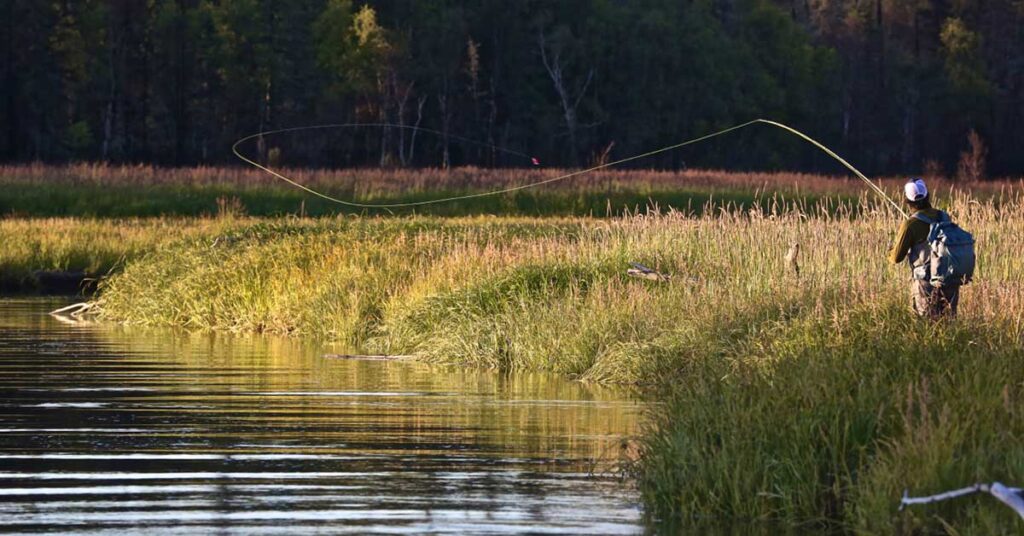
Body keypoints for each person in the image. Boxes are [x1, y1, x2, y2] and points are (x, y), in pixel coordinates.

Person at [888, 178, 961, 318]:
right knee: (949, 325)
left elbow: (896, 258)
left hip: (925, 283)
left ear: (907, 201)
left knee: (925, 326)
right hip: (950, 281)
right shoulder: (944, 217)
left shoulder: (910, 224)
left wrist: (889, 251)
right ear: (927, 195)